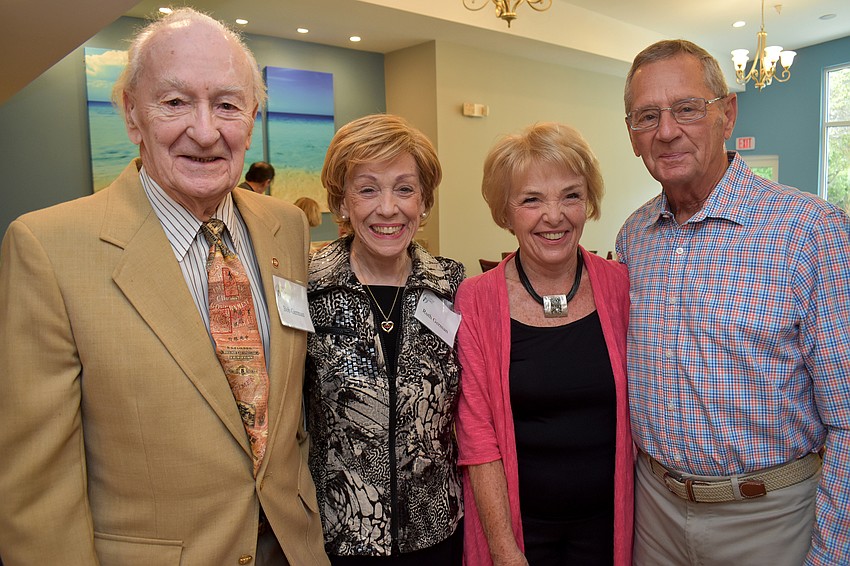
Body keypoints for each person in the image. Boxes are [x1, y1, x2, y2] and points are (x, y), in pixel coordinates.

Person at [0, 9, 328, 566]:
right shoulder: (48, 247)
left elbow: (288, 416)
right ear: (132, 115)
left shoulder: (286, 226)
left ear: (251, 117)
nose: (205, 131)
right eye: (175, 103)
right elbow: (38, 493)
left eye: (227, 104)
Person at [617, 39, 850, 566]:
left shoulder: (810, 231)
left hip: (770, 517)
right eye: (646, 116)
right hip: (654, 512)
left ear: (727, 112)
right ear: (631, 136)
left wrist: (832, 554)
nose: (667, 131)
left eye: (687, 109)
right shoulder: (635, 236)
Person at [455, 122, 633, 566]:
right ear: (506, 211)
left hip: (611, 526)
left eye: (570, 195)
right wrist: (503, 548)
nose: (554, 216)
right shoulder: (476, 299)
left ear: (588, 202)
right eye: (531, 199)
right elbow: (477, 435)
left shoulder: (620, 286)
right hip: (519, 532)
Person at [305, 113, 465, 564]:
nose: (388, 208)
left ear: (425, 201)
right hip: (338, 534)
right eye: (368, 188)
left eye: (405, 188)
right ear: (342, 202)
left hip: (437, 531)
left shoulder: (452, 286)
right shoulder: (307, 287)